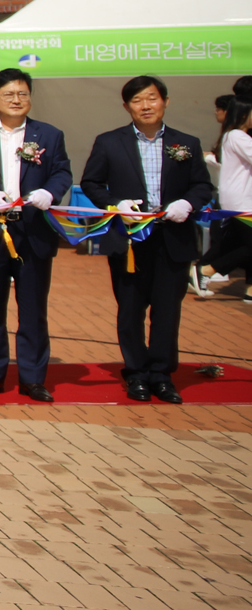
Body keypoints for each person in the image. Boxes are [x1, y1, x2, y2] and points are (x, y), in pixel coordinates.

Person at [81, 75, 215, 403]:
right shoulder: (109, 142)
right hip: (129, 239)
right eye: (137, 100)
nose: (145, 106)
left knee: (167, 310)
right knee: (130, 309)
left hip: (173, 237)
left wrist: (187, 204)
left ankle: (161, 375)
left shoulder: (186, 143)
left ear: (165, 101)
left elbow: (202, 185)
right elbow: (91, 183)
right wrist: (116, 204)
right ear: (126, 106)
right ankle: (136, 373)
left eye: (152, 98)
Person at [0, 68, 71, 402]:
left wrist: (49, 193)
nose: (16, 99)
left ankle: (33, 378)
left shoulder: (49, 134)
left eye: (22, 93)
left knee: (33, 307)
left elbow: (62, 172)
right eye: (9, 94)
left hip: (33, 230)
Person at [201, 98, 252, 290]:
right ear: (244, 115)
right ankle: (207, 270)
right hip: (242, 202)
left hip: (237, 200)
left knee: (232, 243)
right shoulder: (238, 136)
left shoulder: (232, 136)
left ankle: (202, 269)